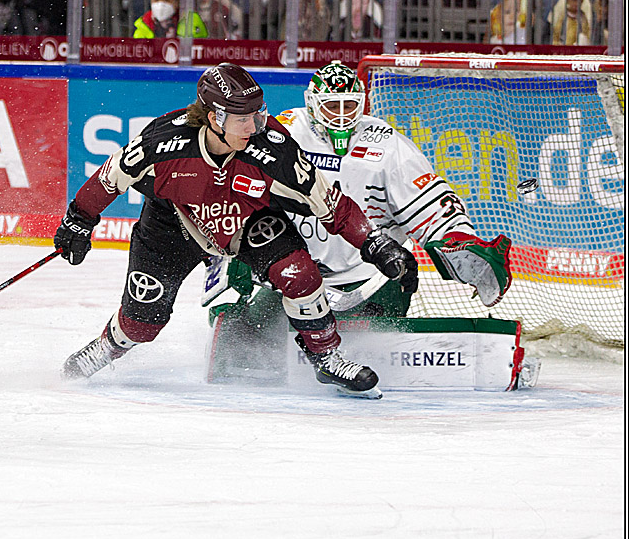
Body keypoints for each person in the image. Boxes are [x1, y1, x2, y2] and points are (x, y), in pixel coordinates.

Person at [52, 63, 419, 399]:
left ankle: (326, 357)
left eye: (258, 113)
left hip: (250, 221)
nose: (256, 125)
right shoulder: (161, 143)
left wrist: (375, 242)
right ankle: (106, 347)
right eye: (244, 118)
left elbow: (330, 203)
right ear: (215, 118)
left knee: (300, 275)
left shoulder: (275, 148)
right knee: (142, 324)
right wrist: (78, 221)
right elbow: (109, 179)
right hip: (173, 224)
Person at [204, 62, 512, 375]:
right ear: (312, 103)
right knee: (243, 345)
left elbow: (428, 198)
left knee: (381, 350)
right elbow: (231, 186)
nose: (341, 115)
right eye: (332, 106)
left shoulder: (386, 142)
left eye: (349, 105)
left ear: (362, 103)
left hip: (372, 275)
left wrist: (457, 237)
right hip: (295, 273)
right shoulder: (285, 131)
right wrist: (236, 250)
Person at [133, 0, 208, 39]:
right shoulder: (144, 25)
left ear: (177, 2)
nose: (161, 5)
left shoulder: (191, 21)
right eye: (156, 0)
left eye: (166, 0)